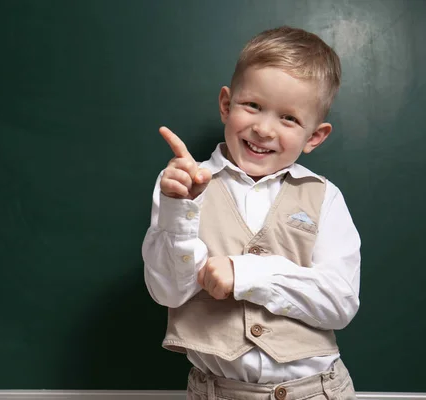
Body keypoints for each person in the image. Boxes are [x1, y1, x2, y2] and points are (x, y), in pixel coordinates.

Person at [142, 26, 361, 400]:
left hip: (316, 390)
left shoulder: (324, 197)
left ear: (314, 136)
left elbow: (340, 303)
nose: (263, 129)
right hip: (218, 391)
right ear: (226, 105)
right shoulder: (179, 186)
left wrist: (246, 273)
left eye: (289, 119)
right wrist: (180, 210)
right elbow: (168, 292)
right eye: (253, 106)